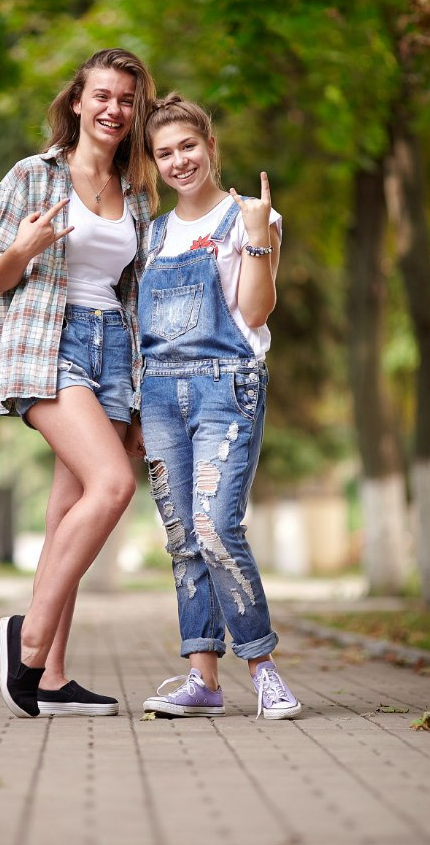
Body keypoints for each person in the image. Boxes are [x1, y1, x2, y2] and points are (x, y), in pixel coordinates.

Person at [0, 49, 156, 718]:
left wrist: (138, 397)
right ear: (78, 101)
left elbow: (134, 298)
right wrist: (24, 249)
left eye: (127, 100)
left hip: (114, 349)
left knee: (67, 518)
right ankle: (25, 637)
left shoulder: (135, 194)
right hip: (52, 344)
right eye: (103, 96)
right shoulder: (31, 177)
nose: (114, 109)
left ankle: (51, 679)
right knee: (112, 487)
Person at [137, 93, 301, 720]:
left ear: (210, 146)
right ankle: (202, 680)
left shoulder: (252, 216)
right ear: (153, 163)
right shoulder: (153, 234)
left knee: (215, 525)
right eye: (165, 153)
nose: (179, 161)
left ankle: (262, 666)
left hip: (227, 386)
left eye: (188, 146)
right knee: (183, 538)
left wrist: (258, 239)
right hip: (159, 395)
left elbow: (256, 313)